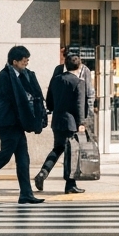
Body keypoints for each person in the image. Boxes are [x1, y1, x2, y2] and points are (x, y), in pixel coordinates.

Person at [0, 47, 47, 204]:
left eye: (27, 60)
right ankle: (25, 194)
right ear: (14, 61)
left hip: (17, 123)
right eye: (24, 61)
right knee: (4, 157)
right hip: (8, 122)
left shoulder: (22, 75)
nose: (26, 63)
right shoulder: (5, 76)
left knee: (23, 158)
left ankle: (26, 194)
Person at [37, 50, 92, 194]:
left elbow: (49, 101)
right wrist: (81, 123)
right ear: (79, 67)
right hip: (71, 123)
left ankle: (43, 172)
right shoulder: (79, 82)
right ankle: (70, 185)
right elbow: (80, 104)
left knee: (58, 149)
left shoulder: (56, 79)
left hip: (57, 121)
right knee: (72, 153)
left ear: (65, 66)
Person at [52, 47, 95, 130]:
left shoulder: (84, 70)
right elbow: (52, 90)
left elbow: (89, 93)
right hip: (61, 116)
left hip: (79, 114)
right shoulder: (59, 69)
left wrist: (89, 115)